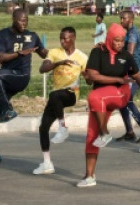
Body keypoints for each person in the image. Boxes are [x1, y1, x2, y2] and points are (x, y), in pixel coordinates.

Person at [76, 23, 140, 188]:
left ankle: (105, 132)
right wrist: (115, 78)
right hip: (100, 100)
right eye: (117, 40)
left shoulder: (126, 55)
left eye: (122, 40)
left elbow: (137, 75)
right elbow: (92, 76)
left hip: (120, 94)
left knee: (93, 96)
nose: (120, 44)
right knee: (91, 137)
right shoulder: (98, 52)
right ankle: (89, 176)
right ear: (109, 39)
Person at [0, 9, 48, 165]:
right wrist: (20, 53)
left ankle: (7, 109)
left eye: (26, 20)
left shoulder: (32, 36)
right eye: (21, 20)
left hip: (21, 76)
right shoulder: (2, 34)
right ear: (13, 19)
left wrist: (56, 53)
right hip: (6, 78)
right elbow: (0, 56)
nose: (24, 23)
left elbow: (44, 53)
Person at [33, 26, 88, 176]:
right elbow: (42, 69)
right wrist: (59, 63)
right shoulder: (54, 53)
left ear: (73, 38)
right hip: (56, 96)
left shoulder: (82, 57)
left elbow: (89, 79)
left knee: (55, 95)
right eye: (61, 38)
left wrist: (88, 76)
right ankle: (47, 163)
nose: (62, 41)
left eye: (66, 38)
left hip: (71, 94)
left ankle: (62, 127)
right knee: (43, 128)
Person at [117, 11, 140, 141]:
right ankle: (129, 132)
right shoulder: (128, 33)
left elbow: (129, 54)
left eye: (123, 18)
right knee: (122, 102)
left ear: (131, 20)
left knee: (127, 100)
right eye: (120, 18)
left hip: (137, 73)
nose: (121, 21)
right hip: (129, 72)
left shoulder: (133, 33)